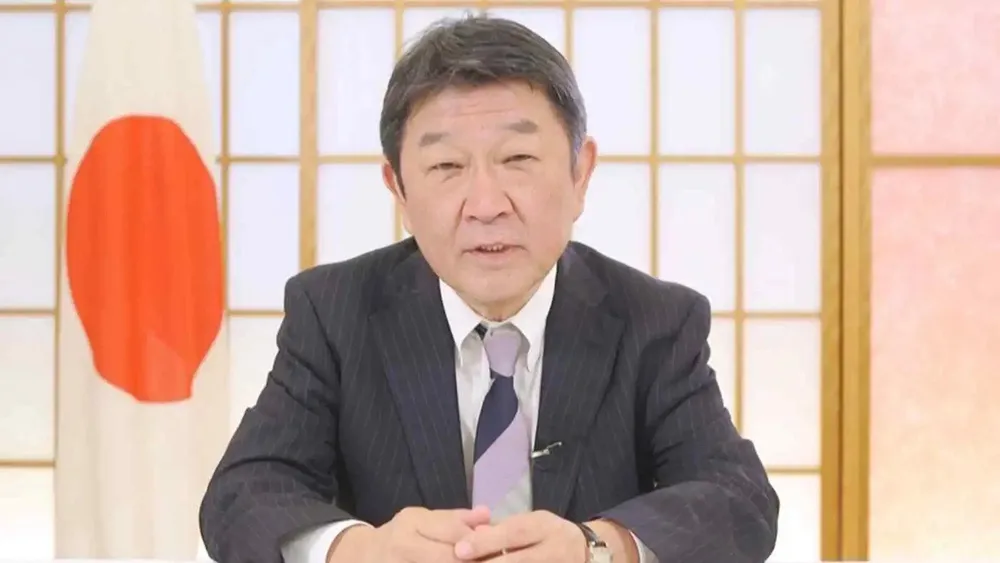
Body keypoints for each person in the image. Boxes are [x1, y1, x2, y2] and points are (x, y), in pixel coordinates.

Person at [198, 13, 779, 563]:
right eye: (447, 167)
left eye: (518, 158)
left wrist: (597, 548)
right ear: (398, 190)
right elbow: (244, 493)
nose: (485, 205)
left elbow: (737, 497)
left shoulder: (656, 319)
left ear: (581, 174)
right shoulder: (334, 312)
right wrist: (358, 550)